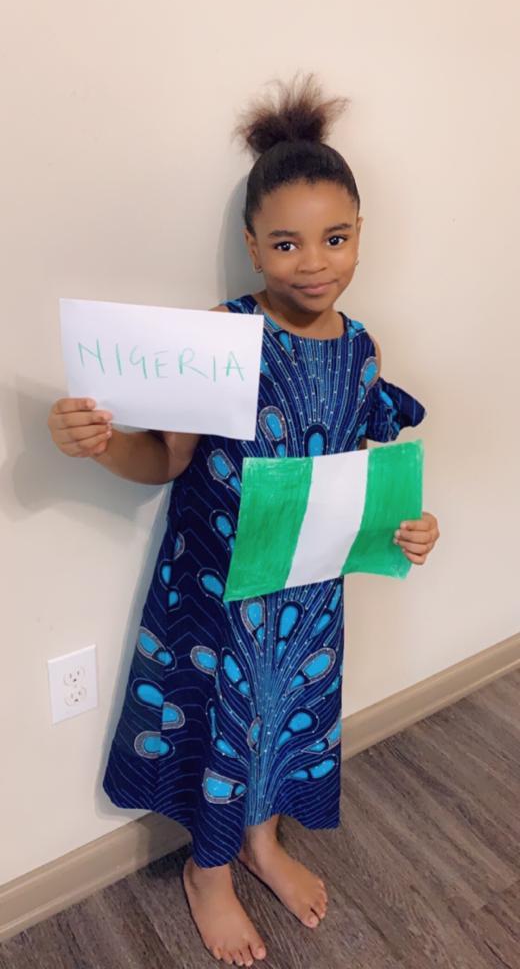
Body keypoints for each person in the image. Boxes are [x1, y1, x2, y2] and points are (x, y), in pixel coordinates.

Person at [48, 71, 440, 967]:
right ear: (253, 247)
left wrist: (411, 526)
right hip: (220, 594)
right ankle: (209, 870)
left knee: (287, 715)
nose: (314, 262)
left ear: (360, 234)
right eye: (287, 243)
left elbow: (361, 475)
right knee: (223, 726)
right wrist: (99, 445)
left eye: (335, 238)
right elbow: (164, 461)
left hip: (309, 599)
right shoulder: (221, 340)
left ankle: (263, 842)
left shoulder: (363, 349)